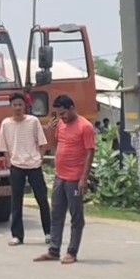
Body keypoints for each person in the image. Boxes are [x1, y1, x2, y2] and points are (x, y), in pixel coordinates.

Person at [35, 95, 95, 265]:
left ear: (71, 108)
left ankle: (72, 251)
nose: (61, 117)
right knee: (56, 213)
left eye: (63, 114)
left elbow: (90, 152)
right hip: (60, 176)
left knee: (76, 216)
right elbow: (53, 145)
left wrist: (84, 178)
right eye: (59, 114)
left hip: (75, 178)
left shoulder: (85, 126)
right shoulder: (60, 124)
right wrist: (49, 130)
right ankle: (54, 250)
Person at [0, 93, 51, 246]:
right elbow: (3, 145)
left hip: (34, 165)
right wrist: (8, 160)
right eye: (15, 105)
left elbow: (42, 143)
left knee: (42, 199)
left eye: (20, 104)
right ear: (10, 106)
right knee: (16, 201)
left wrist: (40, 158)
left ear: (25, 106)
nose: (18, 108)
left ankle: (49, 232)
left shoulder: (33, 121)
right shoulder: (6, 123)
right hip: (16, 165)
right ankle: (17, 235)